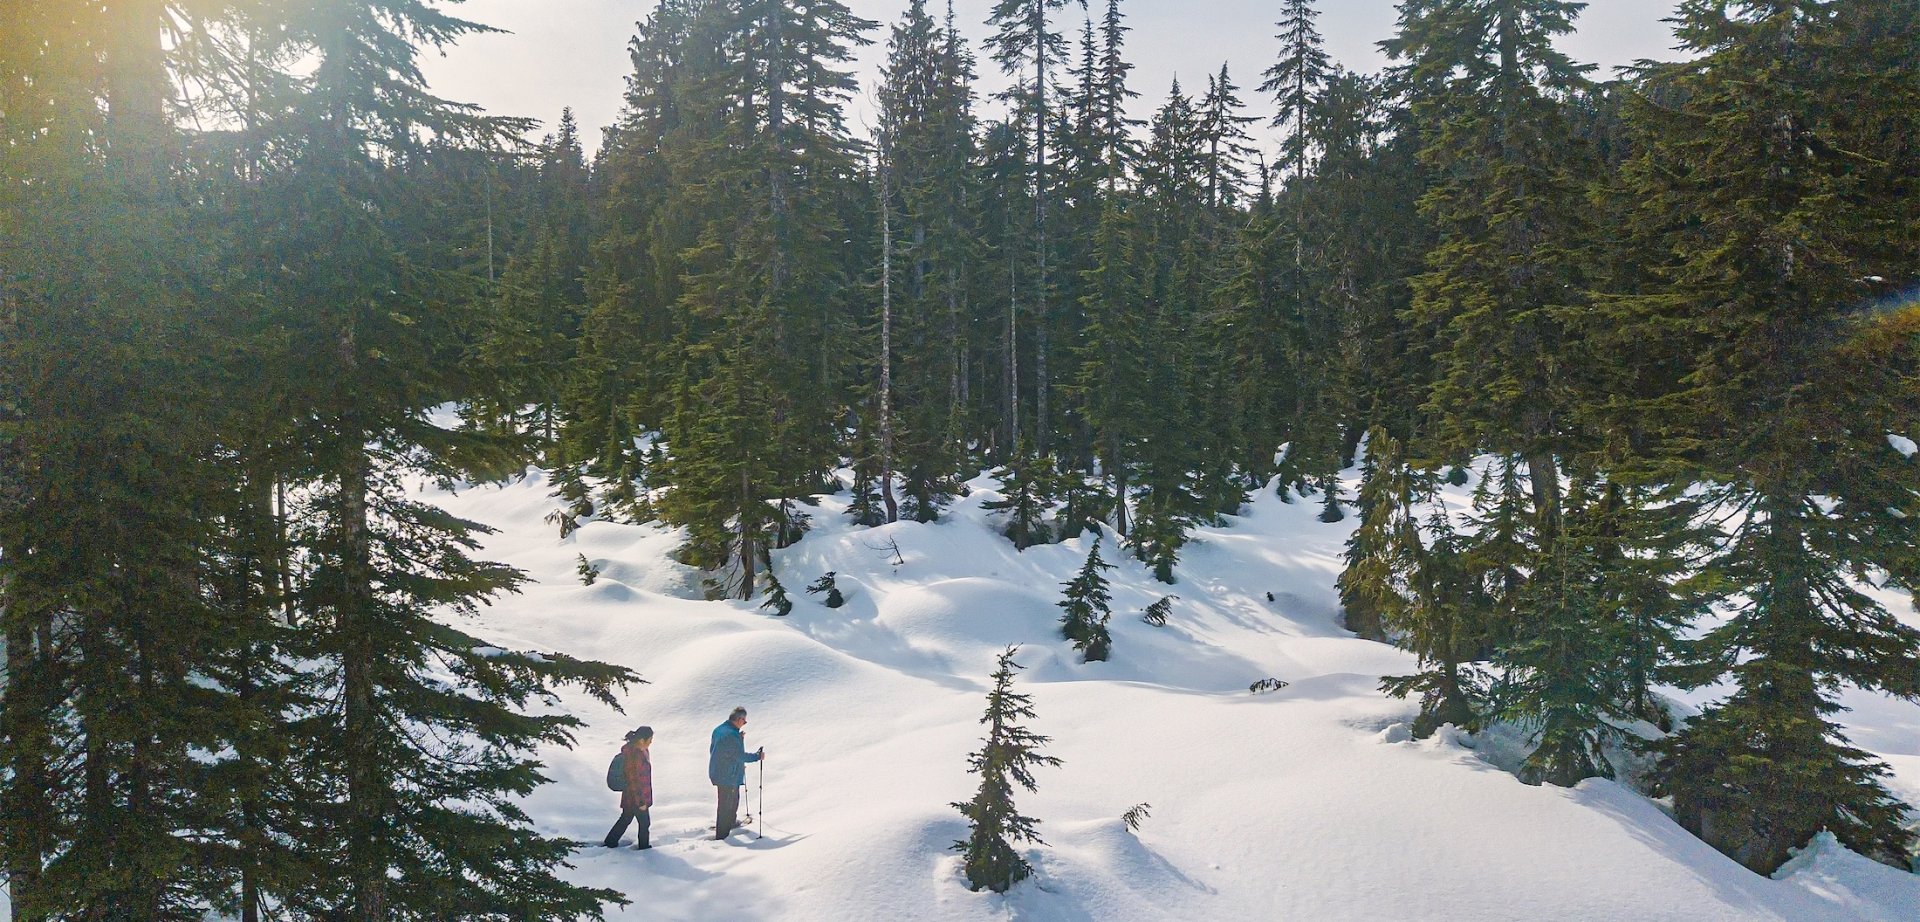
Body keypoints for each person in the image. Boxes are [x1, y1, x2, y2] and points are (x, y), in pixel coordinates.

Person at [709, 706, 763, 839]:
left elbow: (720, 749)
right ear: (739, 719)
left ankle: (731, 822)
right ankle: (722, 835)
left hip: (722, 771)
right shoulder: (731, 735)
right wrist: (757, 756)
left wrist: (739, 739)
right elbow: (740, 755)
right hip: (727, 775)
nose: (744, 724)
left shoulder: (720, 729)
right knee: (725, 806)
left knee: (733, 800)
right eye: (744, 721)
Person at [603, 726, 655, 849]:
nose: (651, 742)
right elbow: (634, 781)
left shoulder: (641, 751)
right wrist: (641, 802)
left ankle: (610, 842)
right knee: (644, 823)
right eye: (650, 739)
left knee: (626, 819)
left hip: (631, 796)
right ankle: (644, 848)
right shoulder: (633, 756)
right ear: (642, 740)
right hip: (636, 797)